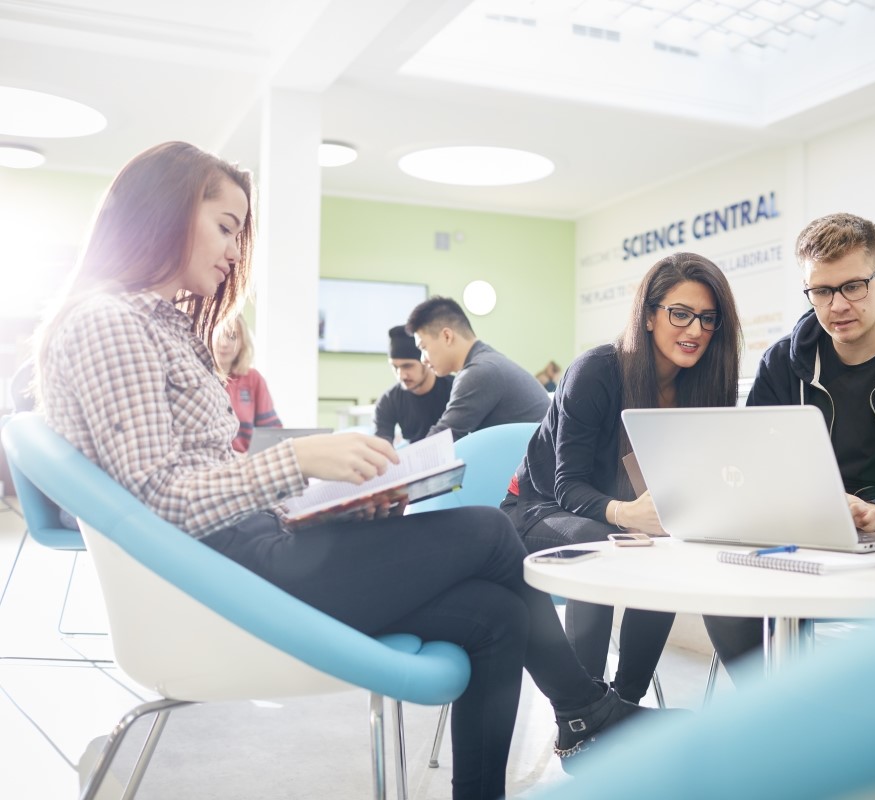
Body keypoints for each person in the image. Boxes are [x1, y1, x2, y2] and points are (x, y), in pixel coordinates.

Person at [32, 141, 653, 800]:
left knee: (497, 616)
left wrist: (326, 498)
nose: (235, 252)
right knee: (491, 534)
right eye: (225, 227)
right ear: (163, 211)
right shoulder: (111, 324)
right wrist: (295, 461)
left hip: (244, 558)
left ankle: (553, 741)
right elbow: (158, 499)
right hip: (224, 581)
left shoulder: (155, 326)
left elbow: (185, 483)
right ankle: (588, 713)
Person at [703, 212, 875, 679]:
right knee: (724, 595)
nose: (837, 305)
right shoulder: (783, 362)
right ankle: (778, 718)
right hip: (801, 528)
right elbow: (752, 458)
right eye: (821, 291)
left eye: (852, 286)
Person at [501, 252, 743, 703]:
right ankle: (583, 708)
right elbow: (565, 485)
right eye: (681, 314)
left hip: (627, 522)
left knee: (667, 554)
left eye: (708, 320)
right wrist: (625, 513)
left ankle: (625, 702)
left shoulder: (705, 386)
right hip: (538, 511)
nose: (695, 331)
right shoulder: (597, 371)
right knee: (600, 546)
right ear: (649, 316)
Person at [406, 297, 549, 440]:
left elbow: (442, 439)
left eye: (423, 347)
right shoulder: (488, 360)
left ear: (447, 336)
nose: (423, 359)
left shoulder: (478, 372)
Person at [214, 313, 281, 452]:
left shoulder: (253, 379)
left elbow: (271, 432)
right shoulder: (197, 377)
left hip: (247, 464)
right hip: (211, 463)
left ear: (243, 343)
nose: (224, 343)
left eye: (232, 337)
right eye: (219, 335)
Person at [373, 326, 453, 444]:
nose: (401, 376)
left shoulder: (455, 389)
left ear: (425, 360)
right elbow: (381, 445)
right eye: (395, 367)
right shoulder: (389, 400)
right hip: (415, 458)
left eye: (407, 366)